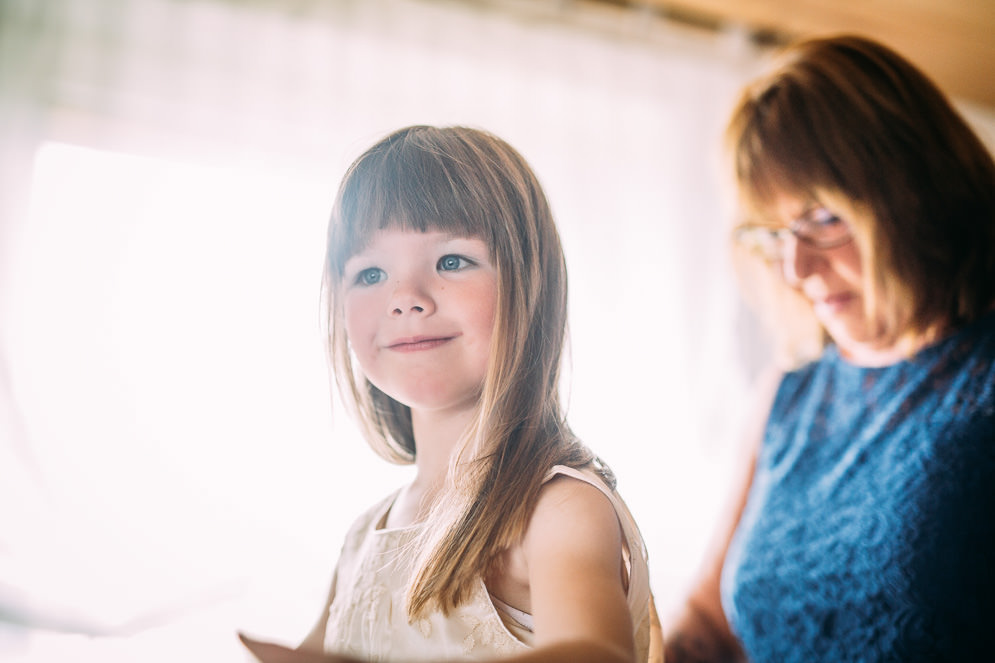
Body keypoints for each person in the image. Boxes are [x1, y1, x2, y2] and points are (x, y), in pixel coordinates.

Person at [240, 125, 659, 663]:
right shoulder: (364, 537)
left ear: (528, 285)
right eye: (370, 272)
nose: (406, 298)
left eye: (451, 261)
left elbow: (597, 655)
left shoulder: (558, 509)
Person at [663, 35, 995, 662]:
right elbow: (712, 619)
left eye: (821, 218)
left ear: (913, 190)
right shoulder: (785, 399)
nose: (797, 267)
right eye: (777, 233)